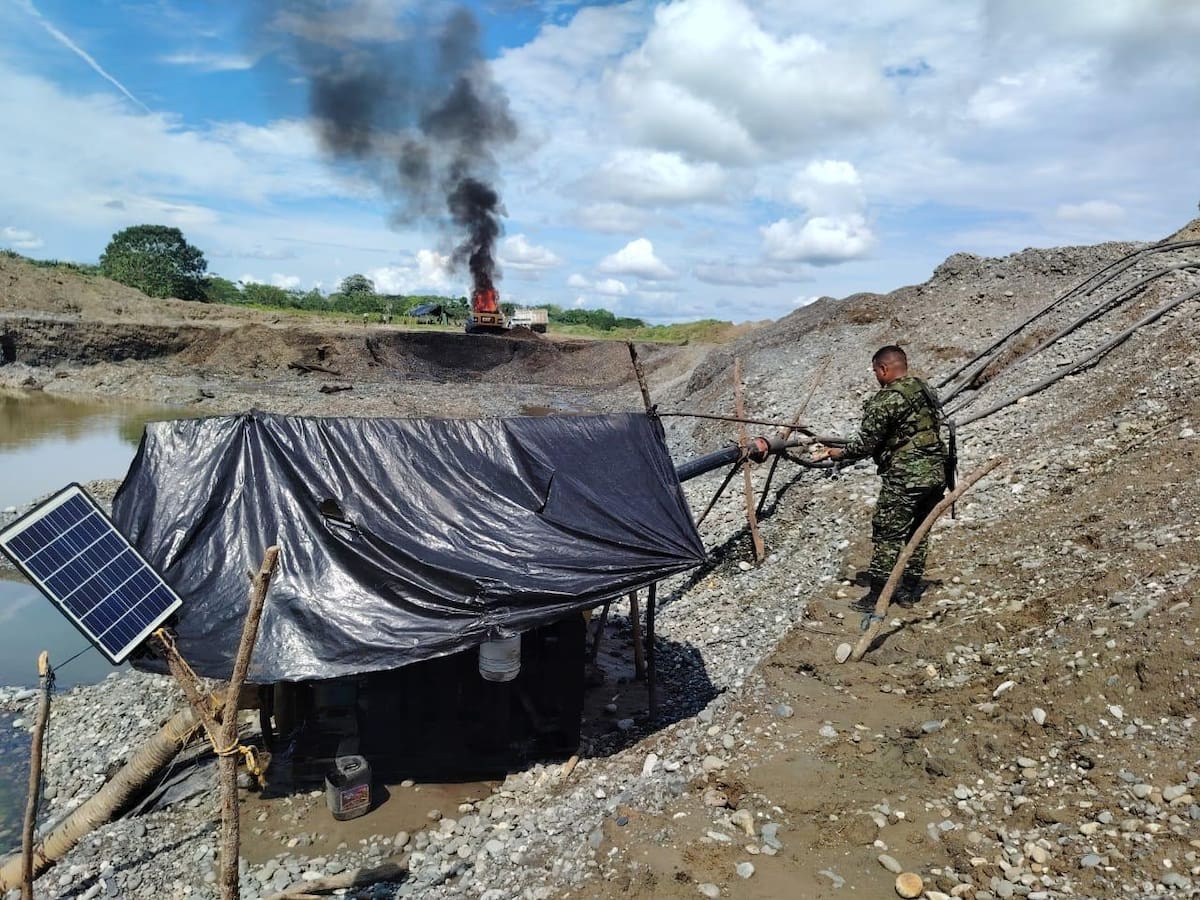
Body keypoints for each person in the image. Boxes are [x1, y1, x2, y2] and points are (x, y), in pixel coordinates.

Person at [811, 345, 948, 609]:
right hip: (935, 473)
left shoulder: (885, 400)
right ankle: (909, 591)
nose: (875, 376)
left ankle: (876, 596)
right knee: (919, 532)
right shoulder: (924, 388)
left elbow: (865, 445)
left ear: (884, 369)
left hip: (905, 477)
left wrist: (835, 454)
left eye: (875, 371)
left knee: (888, 534)